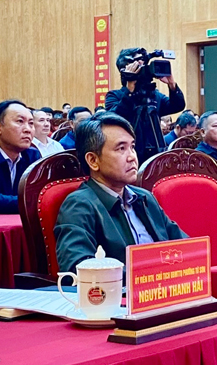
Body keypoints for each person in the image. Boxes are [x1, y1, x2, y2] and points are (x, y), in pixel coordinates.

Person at [54, 113, 185, 272]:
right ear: (93, 161)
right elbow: (78, 268)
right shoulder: (79, 206)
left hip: (164, 284)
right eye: (121, 148)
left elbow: (185, 247)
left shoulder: (144, 198)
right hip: (124, 288)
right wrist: (147, 274)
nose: (132, 157)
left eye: (132, 147)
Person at [104, 47, 186, 164]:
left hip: (156, 154)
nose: (143, 66)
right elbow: (115, 117)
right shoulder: (115, 96)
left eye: (144, 63)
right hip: (129, 155)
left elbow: (177, 105)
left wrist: (172, 84)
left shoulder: (154, 95)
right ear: (125, 69)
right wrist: (129, 90)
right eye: (138, 64)